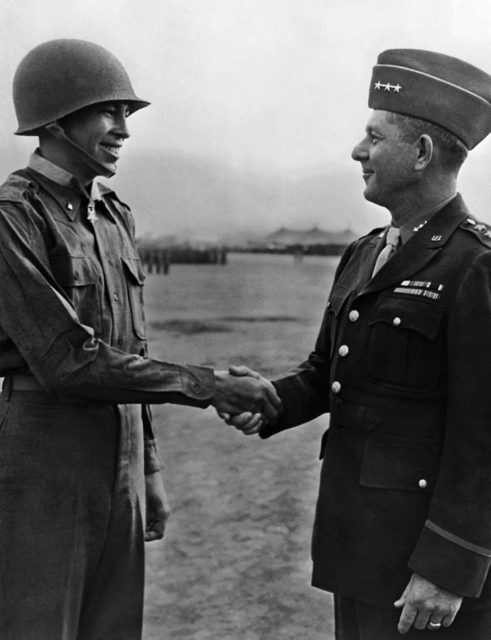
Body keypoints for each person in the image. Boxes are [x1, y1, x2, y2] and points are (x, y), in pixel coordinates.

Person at [0, 39, 281, 640]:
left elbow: (133, 346)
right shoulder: (13, 217)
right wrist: (207, 386)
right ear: (53, 122)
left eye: (127, 114)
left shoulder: (115, 215)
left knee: (115, 628)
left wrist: (146, 469)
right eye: (108, 111)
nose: (124, 129)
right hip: (45, 456)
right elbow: (66, 361)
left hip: (120, 459)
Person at [225, 49, 491, 638]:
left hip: (424, 570)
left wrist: (448, 567)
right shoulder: (365, 253)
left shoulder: (475, 266)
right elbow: (329, 372)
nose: (356, 150)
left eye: (374, 136)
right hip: (358, 546)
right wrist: (272, 397)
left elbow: (484, 433)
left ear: (421, 154)